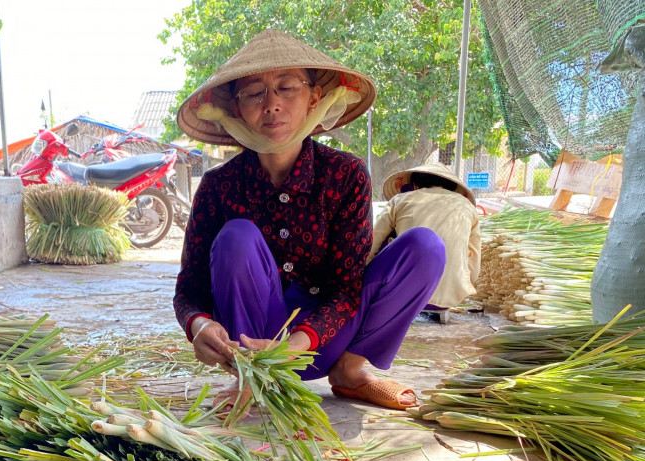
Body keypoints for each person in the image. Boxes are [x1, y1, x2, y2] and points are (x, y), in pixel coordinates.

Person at [173, 29, 445, 410]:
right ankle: (254, 379)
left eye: (286, 88)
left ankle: (350, 373)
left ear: (314, 98)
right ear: (235, 109)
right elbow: (189, 290)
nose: (271, 104)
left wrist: (296, 344)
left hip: (327, 338)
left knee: (425, 247)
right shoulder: (219, 186)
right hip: (250, 344)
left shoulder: (345, 174)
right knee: (237, 237)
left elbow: (347, 288)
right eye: (254, 93)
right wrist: (198, 325)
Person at [371, 163, 481, 322]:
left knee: (389, 240)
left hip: (404, 294)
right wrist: (464, 282)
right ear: (451, 186)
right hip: (451, 296)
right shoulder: (467, 207)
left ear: (415, 184)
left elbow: (373, 241)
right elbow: (474, 259)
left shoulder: (401, 200)